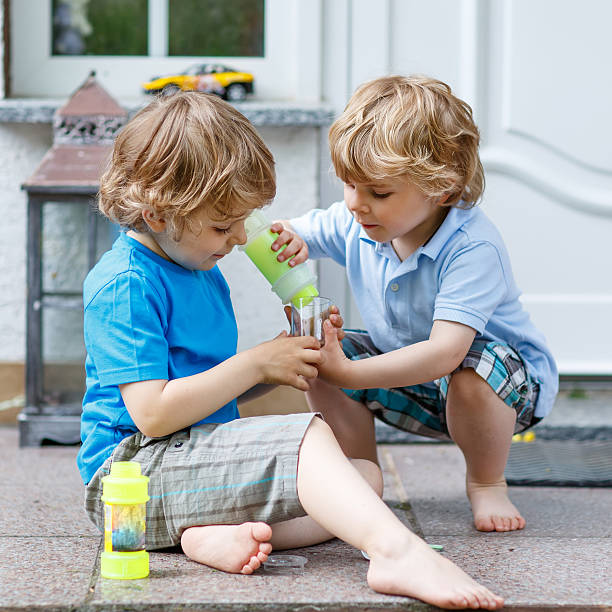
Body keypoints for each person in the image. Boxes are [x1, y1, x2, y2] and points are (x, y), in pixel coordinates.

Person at [77, 90, 504, 609]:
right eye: (221, 225)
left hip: (189, 461)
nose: (237, 238)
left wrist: (281, 361)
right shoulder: (126, 285)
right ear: (157, 212)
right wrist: (254, 362)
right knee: (309, 438)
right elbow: (154, 414)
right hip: (130, 481)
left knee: (362, 479)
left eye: (241, 221)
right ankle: (395, 553)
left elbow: (205, 388)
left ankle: (200, 534)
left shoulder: (196, 265)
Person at [271, 75, 558, 534]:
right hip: (413, 380)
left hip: (498, 388)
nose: (355, 205)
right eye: (348, 185)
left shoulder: (471, 248)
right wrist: (287, 240)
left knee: (472, 368)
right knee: (318, 355)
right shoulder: (356, 222)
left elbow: (446, 352)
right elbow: (297, 232)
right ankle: (358, 477)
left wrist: (350, 373)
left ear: (442, 190)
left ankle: (486, 482)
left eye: (378, 193)